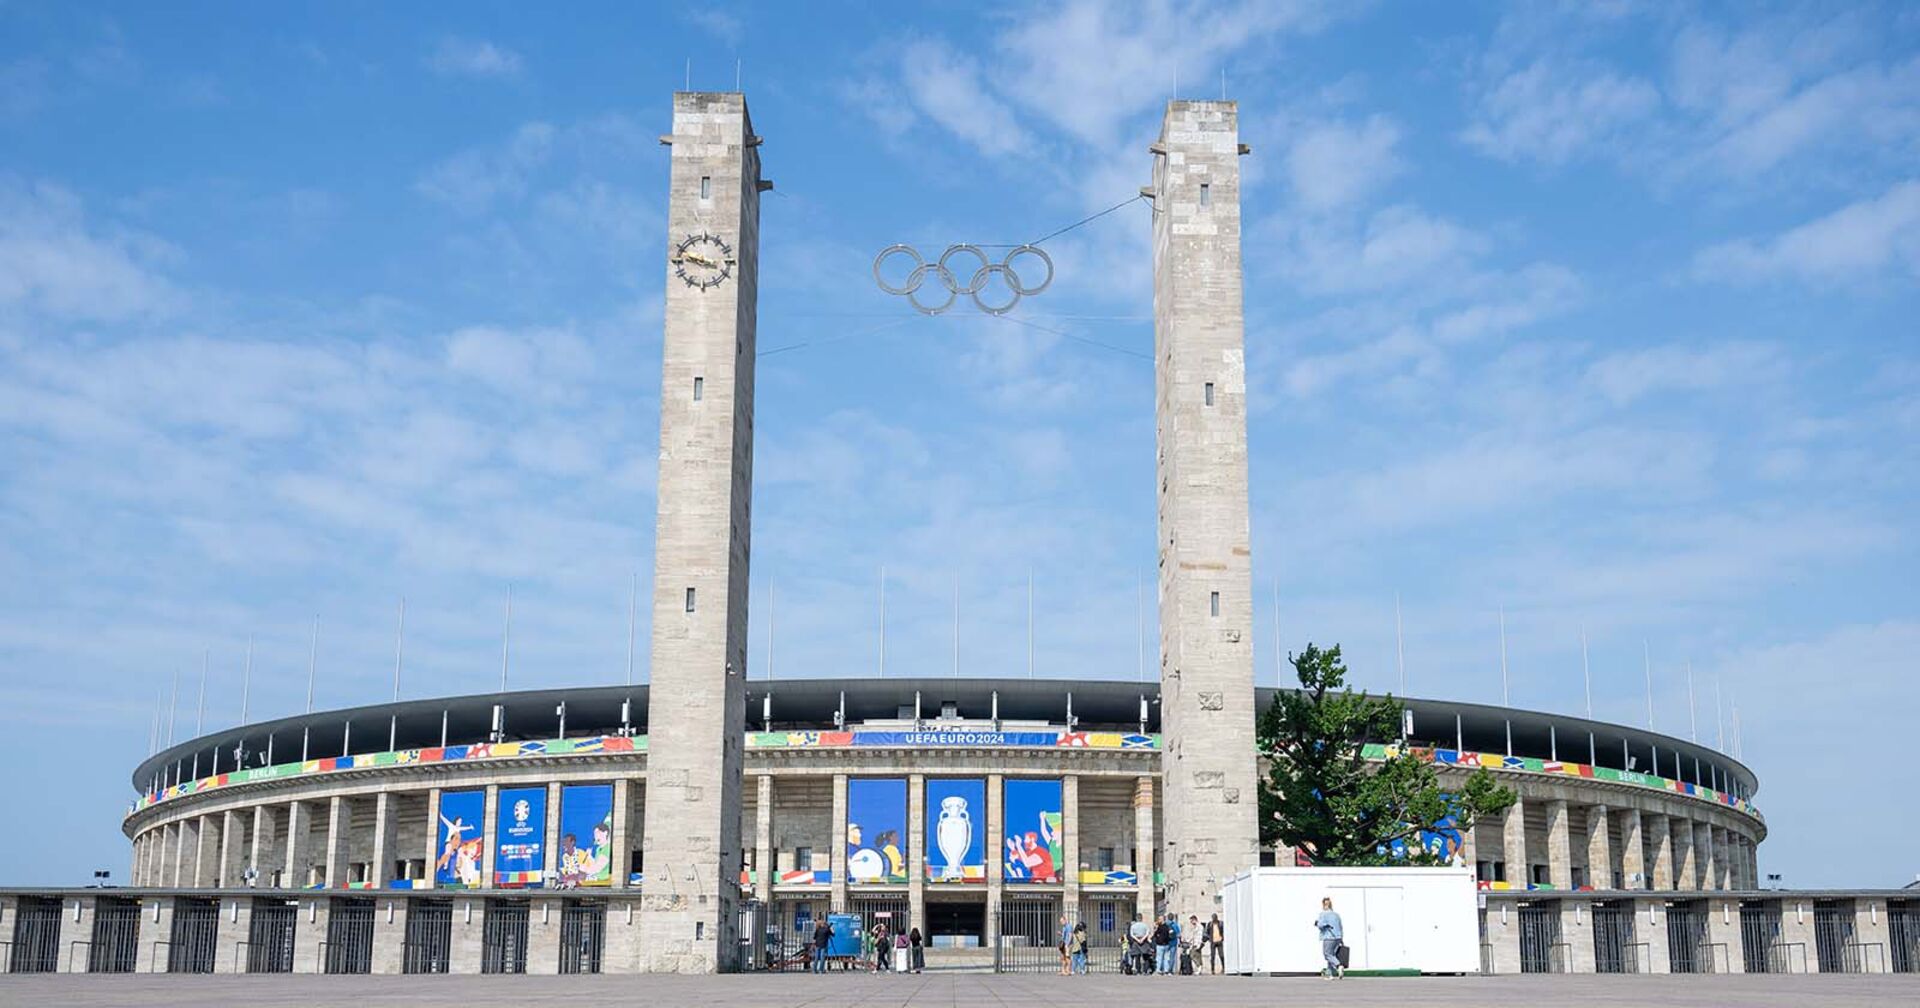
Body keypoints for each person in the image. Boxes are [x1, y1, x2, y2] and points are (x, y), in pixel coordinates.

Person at [1315, 896, 1344, 979]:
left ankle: (1339, 965)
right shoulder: (1336, 915)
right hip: (1337, 937)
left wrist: (1316, 923)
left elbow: (1321, 925)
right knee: (1332, 955)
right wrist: (1341, 938)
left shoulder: (1323, 914)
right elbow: (1340, 927)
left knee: (1327, 954)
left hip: (1328, 937)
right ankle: (1330, 974)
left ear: (1324, 904)